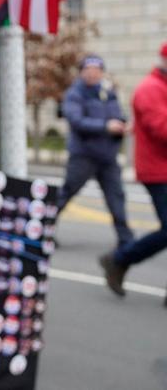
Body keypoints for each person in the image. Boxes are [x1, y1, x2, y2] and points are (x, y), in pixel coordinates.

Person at [99, 43, 167, 300]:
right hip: (159, 171)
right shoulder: (150, 89)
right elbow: (161, 129)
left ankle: (119, 260)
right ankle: (118, 259)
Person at [57, 54, 134, 247]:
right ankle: (42, 231)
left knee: (117, 197)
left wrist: (123, 125)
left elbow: (117, 114)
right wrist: (105, 126)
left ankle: (126, 240)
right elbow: (77, 121)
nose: (93, 74)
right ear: (82, 72)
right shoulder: (75, 94)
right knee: (66, 194)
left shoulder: (107, 92)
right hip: (83, 156)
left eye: (97, 71)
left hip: (107, 157)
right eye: (89, 70)